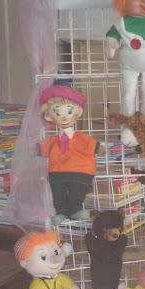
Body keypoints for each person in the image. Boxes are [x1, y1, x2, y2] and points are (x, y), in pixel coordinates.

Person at [39, 84, 101, 225]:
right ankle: (60, 212)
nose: (64, 117)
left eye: (69, 111)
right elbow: (41, 148)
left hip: (80, 171)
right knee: (58, 194)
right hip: (57, 172)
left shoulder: (81, 137)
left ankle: (75, 210)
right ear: (49, 116)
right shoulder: (53, 140)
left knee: (77, 192)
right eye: (58, 113)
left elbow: (93, 146)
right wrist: (32, 150)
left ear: (78, 112)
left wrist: (101, 149)